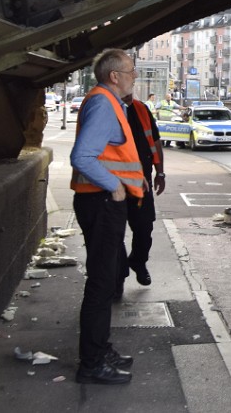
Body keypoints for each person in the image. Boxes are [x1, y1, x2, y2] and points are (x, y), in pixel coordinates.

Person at [69, 49, 144, 385]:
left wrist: (131, 180)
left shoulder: (109, 102)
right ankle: (92, 363)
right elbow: (82, 156)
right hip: (101, 203)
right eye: (131, 71)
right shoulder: (103, 103)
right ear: (115, 76)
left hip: (102, 203)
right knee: (101, 283)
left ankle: (100, 349)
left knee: (108, 274)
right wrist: (114, 185)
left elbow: (112, 153)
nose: (135, 76)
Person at [116, 92, 165, 298]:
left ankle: (138, 260)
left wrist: (160, 172)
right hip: (113, 184)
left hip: (142, 182)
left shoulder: (142, 109)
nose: (132, 85)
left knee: (144, 228)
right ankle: (117, 277)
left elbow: (155, 141)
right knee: (115, 234)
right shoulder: (107, 108)